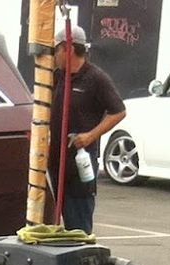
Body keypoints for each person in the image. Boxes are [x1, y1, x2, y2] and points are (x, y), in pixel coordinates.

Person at [49, 25, 127, 235]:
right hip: (54, 164)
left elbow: (118, 111)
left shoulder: (95, 79)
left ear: (69, 49)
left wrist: (90, 136)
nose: (54, 55)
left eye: (56, 50)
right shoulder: (57, 76)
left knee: (78, 228)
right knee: (50, 226)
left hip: (79, 164)